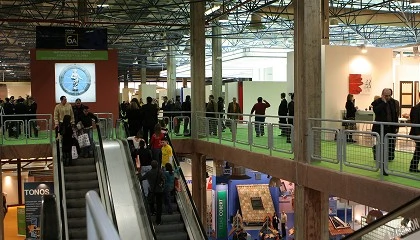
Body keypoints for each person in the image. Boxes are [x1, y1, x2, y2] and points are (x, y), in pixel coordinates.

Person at [372, 88, 399, 176]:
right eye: (386, 96)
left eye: (389, 95)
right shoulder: (377, 102)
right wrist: (384, 102)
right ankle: (383, 168)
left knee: (389, 148)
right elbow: (376, 111)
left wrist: (396, 126)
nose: (387, 97)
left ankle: (385, 165)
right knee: (382, 148)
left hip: (390, 129)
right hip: (380, 129)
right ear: (382, 94)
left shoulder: (394, 102)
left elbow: (395, 115)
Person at [138, 160, 164, 225]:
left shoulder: (149, 173)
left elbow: (141, 178)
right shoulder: (160, 172)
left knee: (151, 201)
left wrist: (138, 172)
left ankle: (152, 211)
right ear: (157, 165)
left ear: (151, 166)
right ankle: (158, 221)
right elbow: (163, 180)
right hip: (160, 191)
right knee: (159, 206)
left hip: (152, 190)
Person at [409, 100, 420, 173]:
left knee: (418, 151)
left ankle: (413, 166)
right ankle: (413, 166)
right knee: (418, 150)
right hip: (418, 133)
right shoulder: (416, 108)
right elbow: (415, 121)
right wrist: (418, 134)